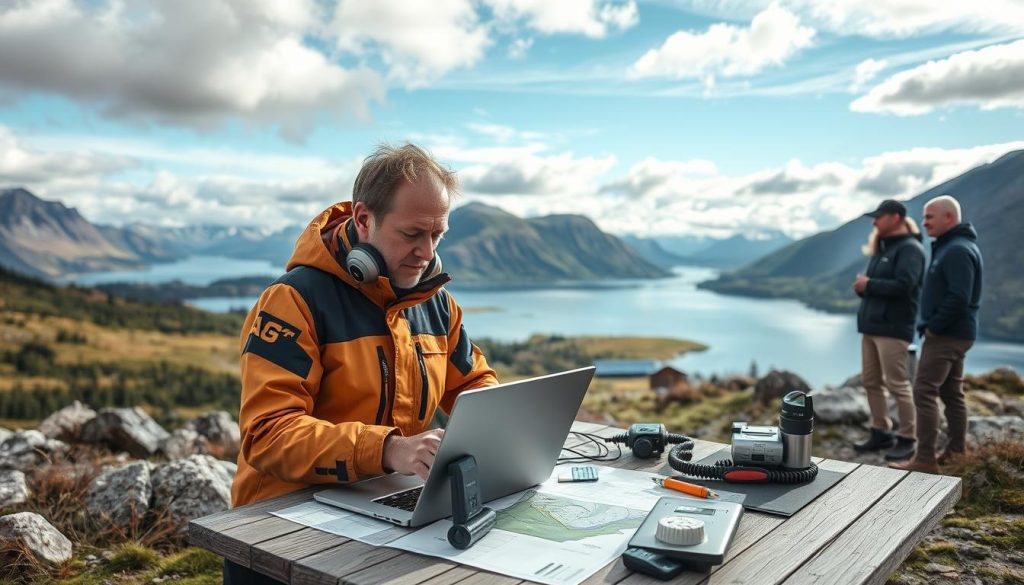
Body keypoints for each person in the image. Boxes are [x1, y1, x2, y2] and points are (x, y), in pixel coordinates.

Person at [226, 144, 498, 584]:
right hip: (278, 529)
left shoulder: (436, 304)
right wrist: (390, 450)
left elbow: (475, 384)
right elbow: (268, 435)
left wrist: (506, 429)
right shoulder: (295, 300)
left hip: (379, 510)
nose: (426, 253)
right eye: (412, 234)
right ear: (363, 220)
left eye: (437, 235)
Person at [890, 195, 982, 474]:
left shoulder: (956, 250)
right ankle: (956, 451)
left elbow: (959, 297)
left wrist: (933, 326)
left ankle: (925, 459)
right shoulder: (953, 246)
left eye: (930, 216)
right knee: (951, 392)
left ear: (948, 218)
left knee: (924, 390)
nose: (924, 222)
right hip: (955, 332)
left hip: (946, 335)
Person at [851, 199, 925, 461]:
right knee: (871, 381)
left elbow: (905, 285)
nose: (874, 221)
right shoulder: (883, 249)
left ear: (895, 217)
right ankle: (881, 431)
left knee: (898, 384)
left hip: (893, 329)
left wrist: (869, 285)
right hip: (871, 327)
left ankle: (908, 437)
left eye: (878, 216)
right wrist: (865, 287)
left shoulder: (910, 249)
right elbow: (881, 287)